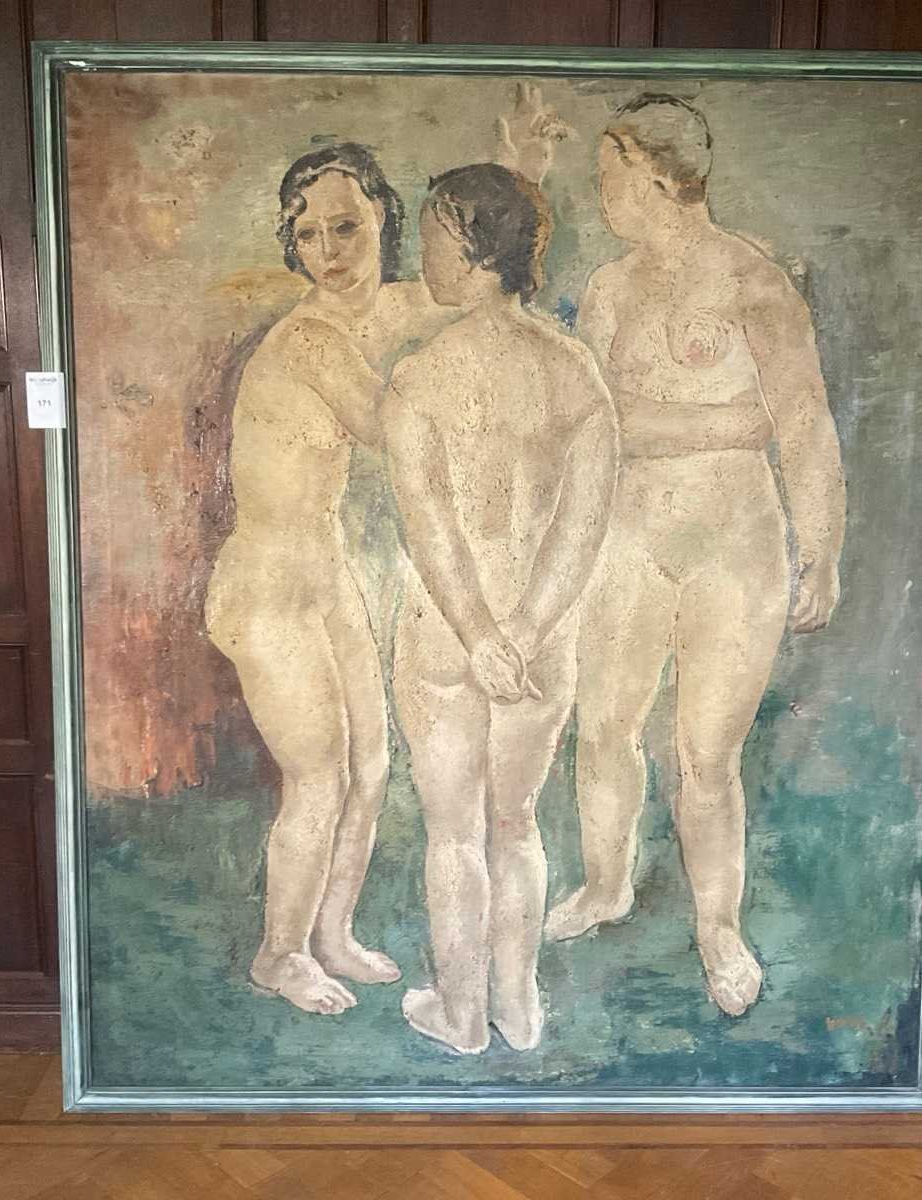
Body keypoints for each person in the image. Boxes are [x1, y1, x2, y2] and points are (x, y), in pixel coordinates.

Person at [205, 93, 567, 1018]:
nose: (329, 248)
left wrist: (520, 170)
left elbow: (475, 279)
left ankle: (330, 932)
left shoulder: (389, 306)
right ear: (292, 246)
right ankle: (279, 953)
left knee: (370, 769)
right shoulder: (313, 337)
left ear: (381, 222)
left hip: (323, 569)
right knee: (319, 776)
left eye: (347, 225)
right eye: (308, 233)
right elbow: (393, 429)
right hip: (267, 584)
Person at [544, 94, 847, 1018]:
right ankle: (607, 884)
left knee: (706, 754)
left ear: (657, 174)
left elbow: (803, 422)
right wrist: (729, 422)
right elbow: (595, 424)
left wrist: (822, 550)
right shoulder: (608, 288)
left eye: (611, 173)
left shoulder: (753, 282)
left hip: (734, 544)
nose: (601, 192)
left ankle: (719, 929)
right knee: (605, 725)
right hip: (628, 537)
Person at [384, 163, 619, 1054]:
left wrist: (480, 634)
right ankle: (517, 1010)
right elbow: (581, 526)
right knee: (515, 823)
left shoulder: (421, 377)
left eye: (433, 239)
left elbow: (429, 524)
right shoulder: (574, 373)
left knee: (455, 834)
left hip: (444, 630)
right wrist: (520, 632)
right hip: (542, 633)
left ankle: (460, 1013)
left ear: (473, 249)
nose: (423, 258)